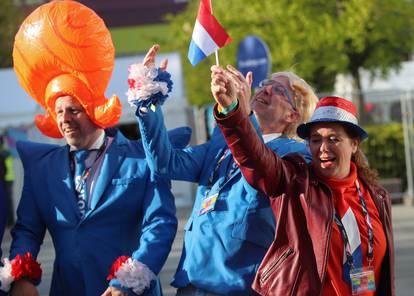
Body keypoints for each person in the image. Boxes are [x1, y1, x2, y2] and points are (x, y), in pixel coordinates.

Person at [0, 2, 185, 296]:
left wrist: (129, 280)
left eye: (73, 110)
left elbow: (160, 224)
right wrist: (21, 275)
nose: (64, 120)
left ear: (94, 110)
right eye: (58, 112)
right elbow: (27, 231)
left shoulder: (140, 158)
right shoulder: (42, 168)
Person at [134, 45, 318, 295]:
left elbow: (259, 164)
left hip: (239, 287)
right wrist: (149, 101)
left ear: (292, 116)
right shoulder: (222, 144)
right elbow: (164, 163)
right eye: (265, 83)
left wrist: (241, 116)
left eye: (279, 91)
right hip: (191, 284)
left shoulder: (293, 154)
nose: (265, 89)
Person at [211, 69, 395, 296]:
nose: (323, 148)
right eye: (316, 140)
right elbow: (256, 158)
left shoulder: (375, 195)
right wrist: (233, 112)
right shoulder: (296, 182)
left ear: (354, 144)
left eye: (334, 139)